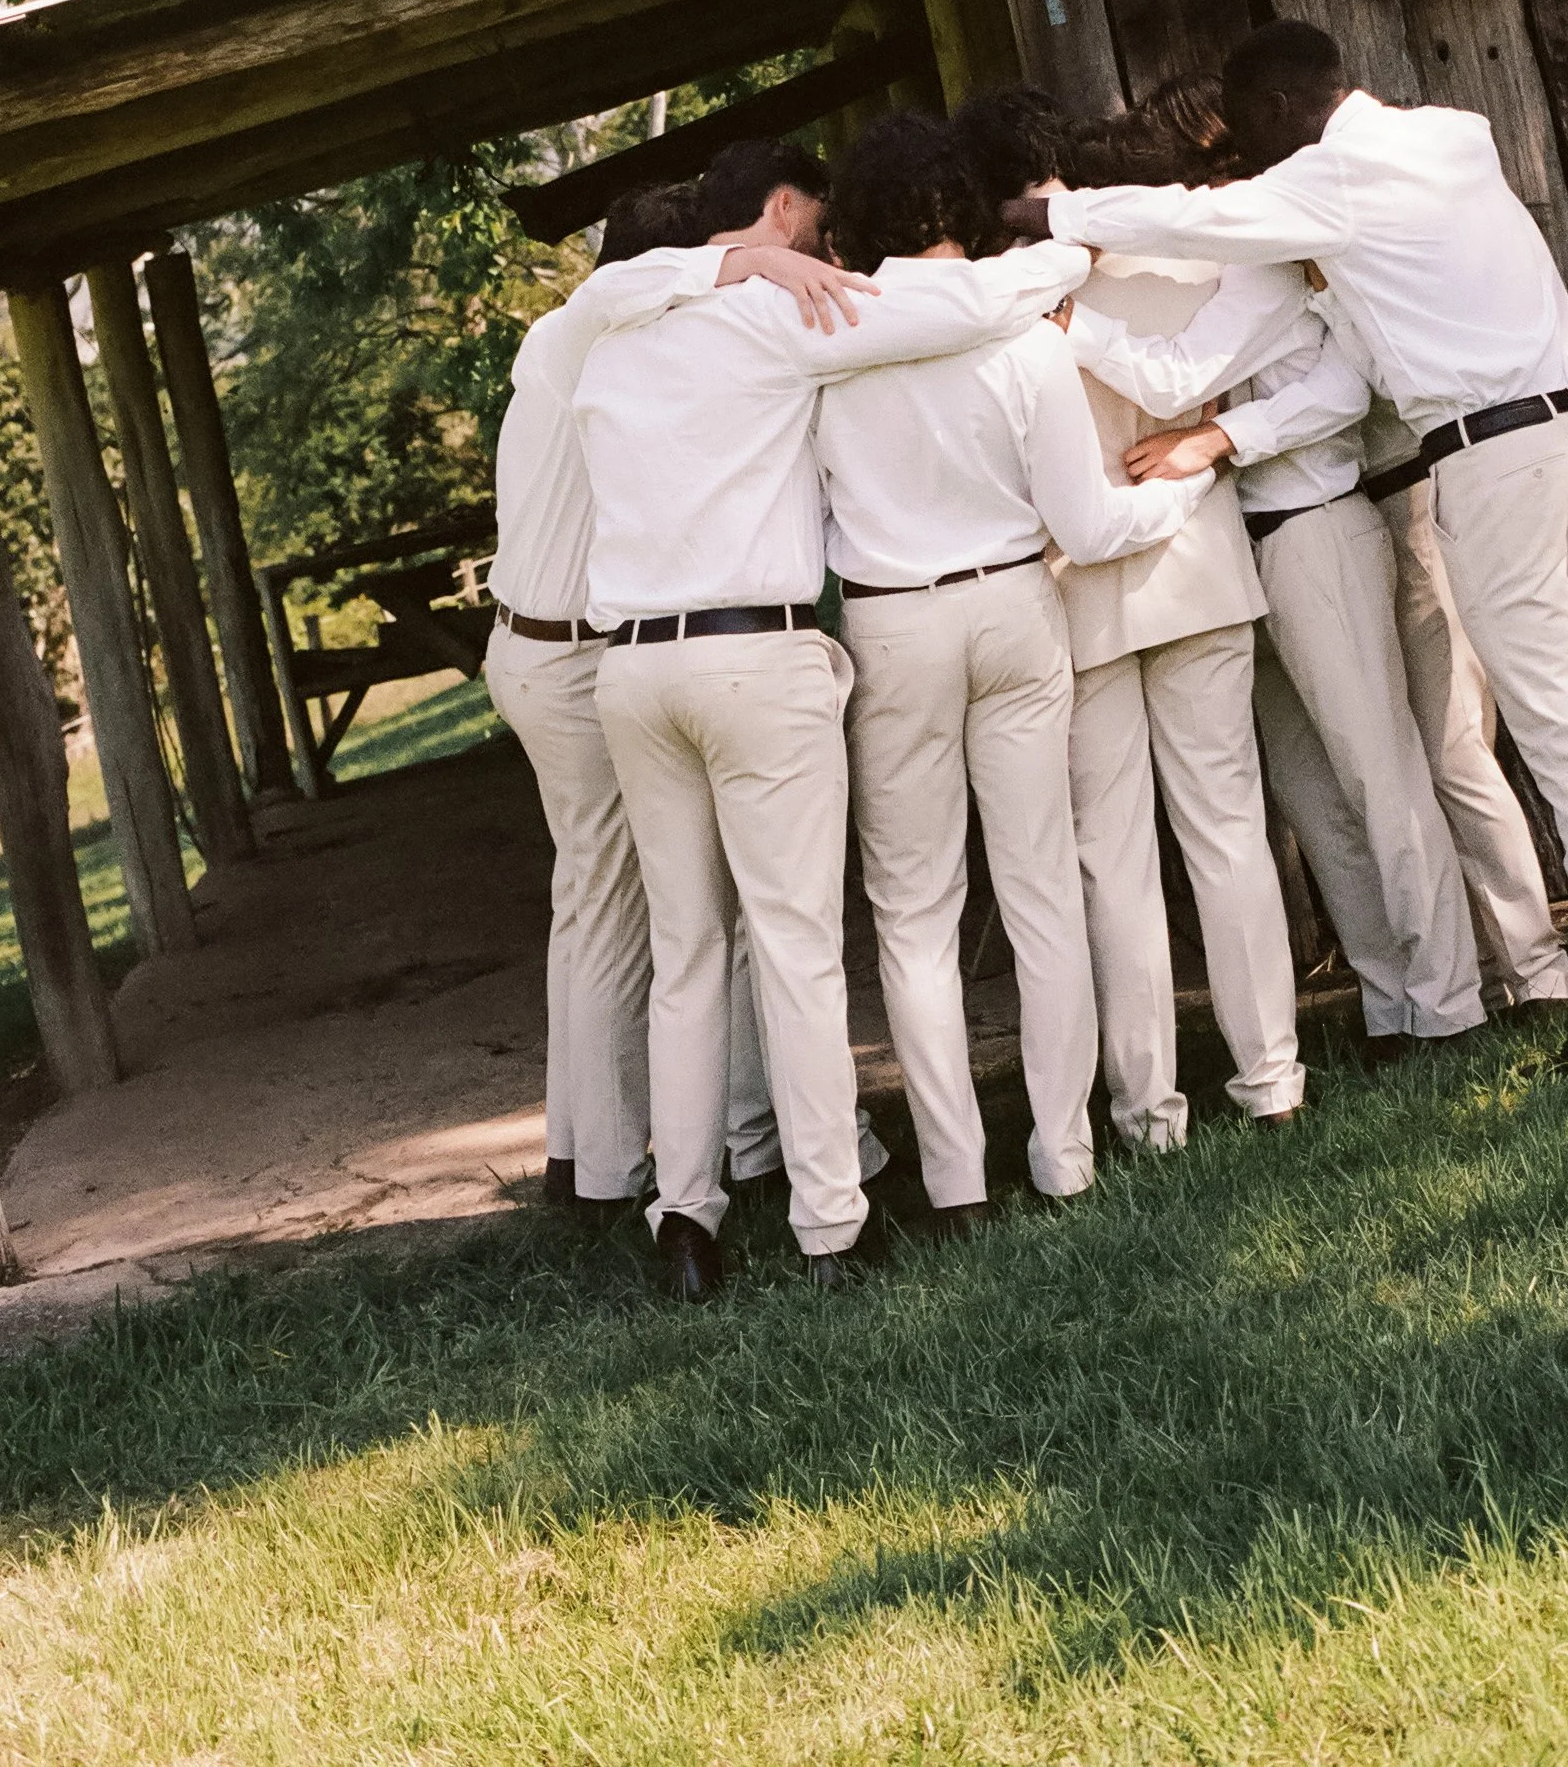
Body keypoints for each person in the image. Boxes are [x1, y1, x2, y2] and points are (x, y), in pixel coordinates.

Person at [1003, 22, 1568, 1062]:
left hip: (1493, 457)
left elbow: (1200, 216)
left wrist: (1045, 213)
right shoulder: (1453, 135)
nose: (1250, 152)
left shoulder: (1330, 178)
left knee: (1556, 732)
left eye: (1253, 130)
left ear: (1282, 111)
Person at [572, 135, 1090, 1298]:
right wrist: (1059, 252)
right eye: (808, 224)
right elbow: (950, 314)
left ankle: (686, 1217)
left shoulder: (605, 334)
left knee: (686, 952)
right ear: (783, 205)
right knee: (797, 946)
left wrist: (718, 267)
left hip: (631, 671)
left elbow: (602, 288)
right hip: (752, 656)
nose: (821, 245)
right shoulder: (774, 316)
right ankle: (828, 1220)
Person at [814, 111, 1213, 1227]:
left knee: (913, 912)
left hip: (892, 624)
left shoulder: (826, 339)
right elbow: (1084, 526)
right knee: (1039, 891)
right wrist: (1185, 485)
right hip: (1012, 607)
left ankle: (953, 1180)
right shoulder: (1026, 335)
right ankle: (1065, 1152)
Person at [1063, 92, 1487, 1057]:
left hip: (1313, 529)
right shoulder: (1168, 275)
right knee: (1308, 789)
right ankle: (1389, 1000)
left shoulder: (1254, 268)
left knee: (1377, 768)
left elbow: (1193, 383)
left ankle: (1449, 998)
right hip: (1228, 548)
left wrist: (1205, 430)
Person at [484, 182, 876, 1222]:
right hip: (573, 656)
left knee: (618, 913)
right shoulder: (591, 328)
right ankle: (626, 1168)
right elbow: (632, 279)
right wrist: (745, 262)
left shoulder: (573, 350)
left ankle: (607, 1155)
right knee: (656, 919)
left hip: (558, 650)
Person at [955, 86, 1304, 1144]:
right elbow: (1200, 384)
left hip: (1076, 584)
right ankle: (1269, 1078)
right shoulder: (1180, 265)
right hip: (1193, 561)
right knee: (1227, 830)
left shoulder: (990, 298)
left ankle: (1148, 1109)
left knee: (1113, 856)